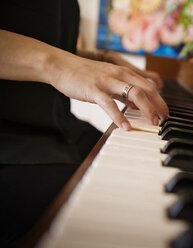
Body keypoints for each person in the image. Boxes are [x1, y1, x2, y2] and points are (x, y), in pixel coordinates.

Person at [0, 0, 168, 247]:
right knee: (114, 213)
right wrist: (56, 65)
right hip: (11, 146)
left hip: (59, 126)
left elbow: (36, 35)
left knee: (135, 169)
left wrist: (103, 59)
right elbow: (51, 58)